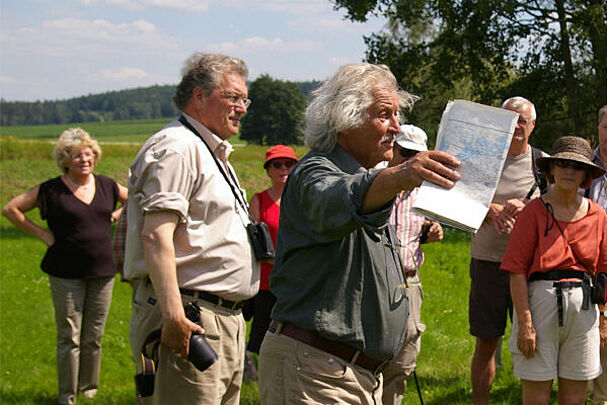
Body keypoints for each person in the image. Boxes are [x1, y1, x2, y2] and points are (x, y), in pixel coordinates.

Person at [257, 62, 461, 403]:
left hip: (347, 373)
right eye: (385, 114)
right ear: (345, 120)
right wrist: (400, 175)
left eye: (397, 115)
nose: (397, 127)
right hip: (314, 371)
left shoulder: (367, 178)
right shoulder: (315, 170)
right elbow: (334, 197)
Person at [124, 53, 259, 405]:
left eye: (245, 98)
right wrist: (174, 318)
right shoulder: (178, 148)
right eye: (232, 97)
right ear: (198, 96)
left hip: (221, 318)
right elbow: (156, 235)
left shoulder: (206, 149)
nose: (242, 107)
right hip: (190, 317)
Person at [2, 128, 128, 405]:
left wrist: (115, 215)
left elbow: (135, 200)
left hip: (103, 270)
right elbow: (11, 209)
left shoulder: (107, 185)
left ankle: (89, 389)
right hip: (64, 271)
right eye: (77, 156)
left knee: (94, 335)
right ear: (65, 160)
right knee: (69, 335)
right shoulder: (50, 189)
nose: (85, 160)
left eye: (89, 154)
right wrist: (43, 235)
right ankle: (66, 394)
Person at [501, 136, 607, 405]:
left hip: (584, 309)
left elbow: (604, 271)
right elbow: (516, 270)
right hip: (540, 304)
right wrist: (524, 322)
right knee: (536, 395)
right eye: (562, 164)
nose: (569, 171)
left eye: (576, 166)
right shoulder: (533, 212)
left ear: (585, 174)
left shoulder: (598, 215)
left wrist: (603, 318)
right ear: (551, 170)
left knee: (574, 397)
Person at [469, 96, 547, 404]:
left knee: (532, 340)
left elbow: (557, 211)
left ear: (533, 125)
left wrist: (527, 208)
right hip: (487, 261)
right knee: (486, 341)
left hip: (530, 268)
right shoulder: (482, 159)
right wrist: (492, 210)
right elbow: (462, 198)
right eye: (510, 121)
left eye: (522, 121)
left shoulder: (544, 162)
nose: (516, 127)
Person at [381, 125, 444, 405]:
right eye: (405, 152)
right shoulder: (376, 181)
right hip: (376, 282)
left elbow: (429, 227)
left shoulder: (426, 192)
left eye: (417, 155)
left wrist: (435, 231)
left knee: (403, 361)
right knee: (372, 358)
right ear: (392, 148)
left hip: (409, 281)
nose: (410, 161)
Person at [244, 145, 298, 378]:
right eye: (277, 164)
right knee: (262, 333)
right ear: (268, 170)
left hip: (297, 281)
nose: (283, 169)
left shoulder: (300, 201)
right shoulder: (259, 201)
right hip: (267, 281)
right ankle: (254, 372)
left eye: (289, 164)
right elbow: (253, 243)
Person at [589, 105, 607, 404]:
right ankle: (599, 397)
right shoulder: (582, 167)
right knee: (599, 335)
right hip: (590, 263)